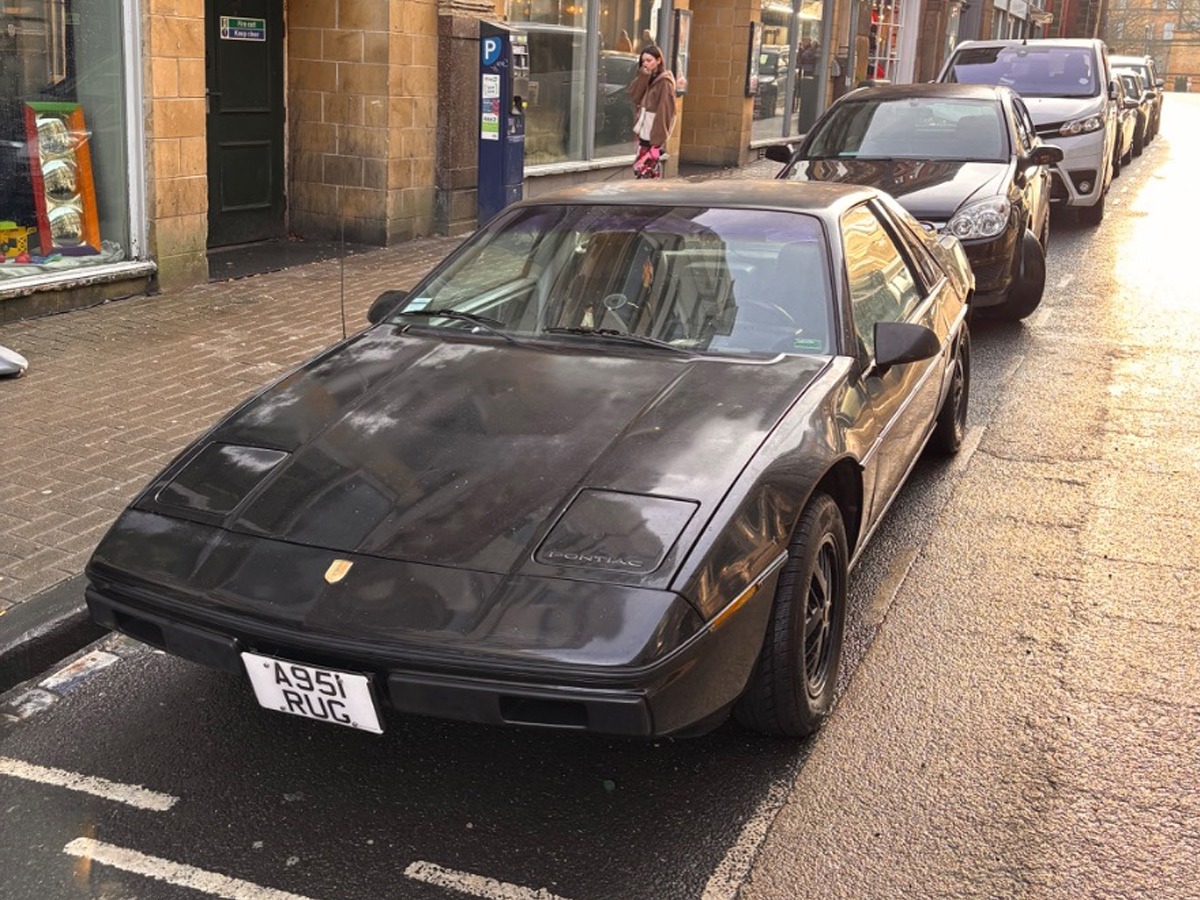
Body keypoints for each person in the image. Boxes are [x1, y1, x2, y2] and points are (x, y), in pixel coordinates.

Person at [628, 45, 677, 178]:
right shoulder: (647, 77)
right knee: (642, 171)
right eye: (643, 61)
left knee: (645, 171)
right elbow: (634, 96)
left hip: (653, 134)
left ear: (659, 60)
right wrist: (643, 77)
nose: (645, 64)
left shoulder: (665, 82)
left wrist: (658, 141)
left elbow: (666, 111)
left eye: (649, 60)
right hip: (644, 133)